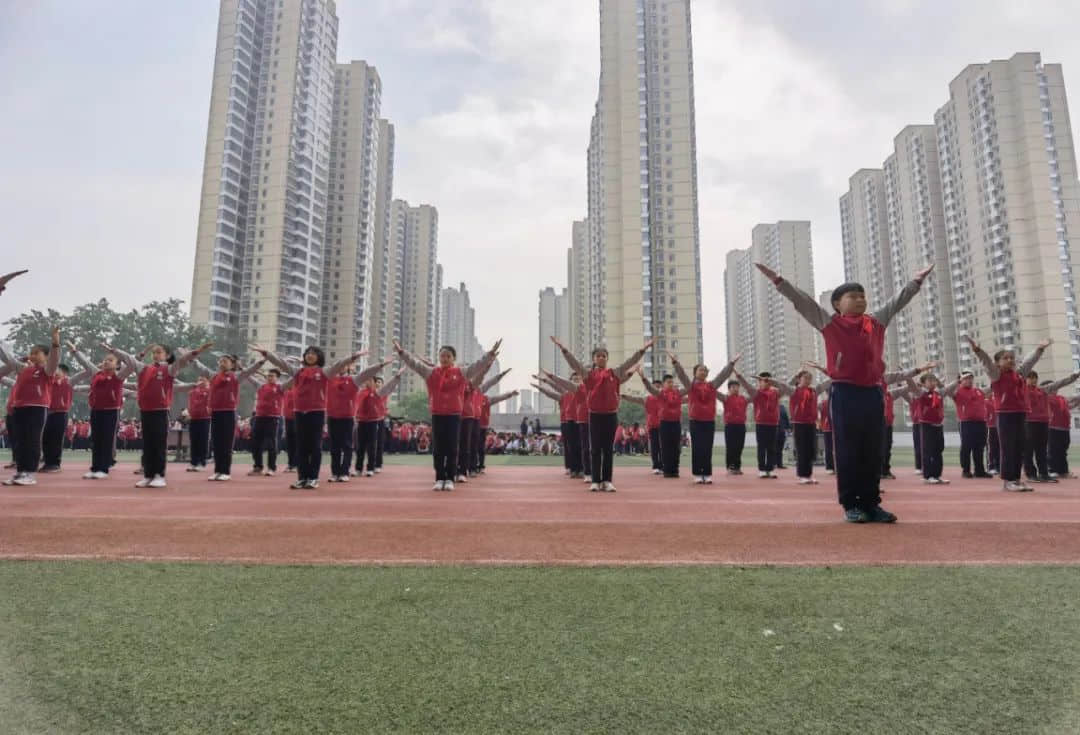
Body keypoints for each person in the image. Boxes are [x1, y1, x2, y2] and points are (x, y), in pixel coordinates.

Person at [757, 260, 932, 523]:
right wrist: (779, 281)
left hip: (873, 393)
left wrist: (916, 282)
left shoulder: (876, 322)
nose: (860, 300)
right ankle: (851, 504)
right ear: (838, 303)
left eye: (863, 296)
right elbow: (802, 301)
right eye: (853, 296)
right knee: (849, 450)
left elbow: (898, 301)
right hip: (845, 392)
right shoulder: (830, 324)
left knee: (873, 450)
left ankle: (872, 503)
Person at [255, 344, 367, 490]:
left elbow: (339, 364)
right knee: (301, 446)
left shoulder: (324, 372)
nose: (310, 355)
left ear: (319, 357)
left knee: (314, 446)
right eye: (307, 353)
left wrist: (354, 356)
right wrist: (266, 353)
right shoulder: (298, 372)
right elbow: (281, 363)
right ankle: (302, 478)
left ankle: (313, 478)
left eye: (313, 353)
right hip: (299, 412)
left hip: (316, 412)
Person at [550, 336, 652, 492]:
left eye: (604, 356)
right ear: (594, 359)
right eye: (598, 356)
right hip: (595, 415)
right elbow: (575, 364)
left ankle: (607, 480)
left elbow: (630, 362)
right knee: (595, 449)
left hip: (611, 415)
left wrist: (643, 349)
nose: (601, 358)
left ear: (607, 359)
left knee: (607, 449)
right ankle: (595, 480)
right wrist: (563, 349)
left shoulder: (615, 373)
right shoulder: (588, 375)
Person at [395, 339, 500, 491]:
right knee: (438, 448)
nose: (444, 359)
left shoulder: (461, 373)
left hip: (454, 416)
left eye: (448, 356)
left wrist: (489, 355)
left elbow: (477, 366)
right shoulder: (431, 372)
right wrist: (401, 353)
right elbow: (414, 364)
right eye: (442, 356)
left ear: (453, 359)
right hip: (437, 415)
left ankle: (450, 478)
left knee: (452, 447)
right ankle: (439, 478)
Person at [965, 335, 1049, 492]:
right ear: (998, 363)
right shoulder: (996, 375)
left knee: (1020, 447)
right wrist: (977, 350)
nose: (1010, 360)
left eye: (1012, 358)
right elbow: (987, 363)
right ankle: (1008, 480)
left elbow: (1029, 362)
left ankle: (1016, 479)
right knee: (1008, 447)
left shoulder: (1019, 374)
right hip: (1005, 415)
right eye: (1005, 358)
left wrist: (1040, 349)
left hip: (1021, 413)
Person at [191, 353, 266, 481]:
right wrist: (192, 358)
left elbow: (249, 371)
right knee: (216, 442)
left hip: (228, 412)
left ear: (232, 364)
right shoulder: (214, 376)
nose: (222, 363)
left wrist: (262, 361)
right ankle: (217, 470)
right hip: (215, 412)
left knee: (226, 443)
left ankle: (225, 471)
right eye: (220, 361)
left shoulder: (236, 376)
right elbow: (201, 368)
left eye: (225, 361)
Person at [2, 328, 61, 486]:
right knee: (20, 441)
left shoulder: (47, 370)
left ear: (46, 356)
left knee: (32, 440)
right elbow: (8, 359)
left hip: (37, 408)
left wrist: (55, 344)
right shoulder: (24, 369)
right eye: (31, 352)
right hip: (19, 408)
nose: (33, 355)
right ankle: (20, 471)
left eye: (37, 353)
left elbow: (54, 360)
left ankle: (30, 472)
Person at [669, 351, 739, 484]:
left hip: (709, 421)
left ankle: (706, 473)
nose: (703, 372)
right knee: (697, 448)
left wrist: (732, 363)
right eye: (700, 370)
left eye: (705, 370)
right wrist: (675, 363)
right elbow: (682, 376)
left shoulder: (712, 385)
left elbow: (723, 376)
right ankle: (697, 473)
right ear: (695, 373)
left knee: (707, 447)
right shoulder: (691, 386)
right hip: (695, 421)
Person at [71, 344, 135, 479]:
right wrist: (75, 351)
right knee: (96, 440)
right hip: (96, 411)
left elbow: (130, 365)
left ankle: (103, 468)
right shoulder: (97, 373)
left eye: (110, 360)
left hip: (111, 412)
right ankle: (94, 468)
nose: (106, 361)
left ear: (118, 365)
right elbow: (86, 363)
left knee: (106, 440)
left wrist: (115, 351)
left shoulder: (119, 377)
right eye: (105, 359)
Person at [1023, 370, 1079, 483]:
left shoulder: (1042, 390)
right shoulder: (1022, 390)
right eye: (1030, 377)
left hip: (1043, 422)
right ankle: (1031, 474)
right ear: (1025, 379)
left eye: (1035, 377)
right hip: (1029, 422)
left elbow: (1060, 383)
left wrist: (1073, 377)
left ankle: (1044, 473)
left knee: (1041, 450)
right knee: (1028, 450)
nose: (1033, 380)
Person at [733, 370, 789, 479]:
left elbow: (785, 388)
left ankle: (770, 468)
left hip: (773, 424)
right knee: (762, 447)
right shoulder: (756, 393)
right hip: (761, 423)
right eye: (764, 380)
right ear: (759, 382)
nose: (766, 382)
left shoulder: (776, 393)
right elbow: (747, 386)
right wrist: (739, 375)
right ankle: (762, 469)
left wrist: (774, 381)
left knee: (772, 447)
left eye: (768, 380)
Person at [354, 368, 404, 478]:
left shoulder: (378, 393)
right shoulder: (360, 393)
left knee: (372, 446)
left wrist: (397, 377)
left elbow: (389, 387)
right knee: (360, 446)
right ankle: (358, 469)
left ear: (374, 383)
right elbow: (356, 404)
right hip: (361, 421)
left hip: (373, 422)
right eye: (366, 381)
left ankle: (370, 468)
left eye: (371, 381)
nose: (368, 383)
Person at [638, 370, 687, 479]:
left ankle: (675, 469)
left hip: (676, 423)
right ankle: (667, 470)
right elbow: (650, 388)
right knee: (665, 447)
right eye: (668, 382)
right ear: (664, 384)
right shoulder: (660, 394)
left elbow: (689, 387)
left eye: (672, 382)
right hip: (664, 423)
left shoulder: (678, 393)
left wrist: (678, 368)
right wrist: (643, 378)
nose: (671, 384)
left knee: (676, 447)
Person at [785, 369, 830, 485]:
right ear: (799, 379)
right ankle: (802, 475)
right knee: (802, 450)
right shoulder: (794, 390)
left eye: (810, 378)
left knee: (810, 450)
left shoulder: (814, 391)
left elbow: (827, 383)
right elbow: (783, 386)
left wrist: (836, 373)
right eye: (805, 378)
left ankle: (808, 474)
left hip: (811, 423)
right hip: (799, 424)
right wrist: (795, 375)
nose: (808, 380)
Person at [944, 370, 992, 479]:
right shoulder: (957, 392)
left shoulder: (978, 391)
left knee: (979, 447)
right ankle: (966, 470)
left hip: (981, 422)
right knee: (966, 447)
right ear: (961, 380)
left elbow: (992, 387)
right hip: (966, 423)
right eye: (966, 378)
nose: (969, 380)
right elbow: (947, 390)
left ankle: (979, 470)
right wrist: (957, 381)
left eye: (971, 378)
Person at [905, 373, 949, 484]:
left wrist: (955, 382)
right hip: (926, 425)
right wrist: (907, 375)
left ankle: (937, 475)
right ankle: (927, 476)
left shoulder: (938, 394)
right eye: (929, 380)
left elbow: (948, 388)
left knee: (938, 451)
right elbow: (912, 386)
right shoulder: (921, 393)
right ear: (924, 383)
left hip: (938, 425)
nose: (932, 382)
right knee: (927, 451)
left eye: (934, 380)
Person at [244, 367, 286, 476]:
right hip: (259, 417)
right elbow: (249, 377)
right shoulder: (261, 386)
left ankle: (271, 468)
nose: (269, 377)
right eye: (268, 375)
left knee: (271, 443)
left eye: (272, 376)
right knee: (256, 443)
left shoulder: (280, 387)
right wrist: (242, 368)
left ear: (277, 378)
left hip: (273, 418)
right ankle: (258, 467)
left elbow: (293, 380)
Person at [1049, 391, 1080, 478]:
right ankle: (1053, 469)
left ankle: (1063, 471)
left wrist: (1077, 402)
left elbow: (1068, 406)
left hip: (1065, 428)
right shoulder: (1046, 398)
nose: (1055, 389)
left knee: (1063, 451)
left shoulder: (1061, 398)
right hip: (1053, 427)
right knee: (1054, 450)